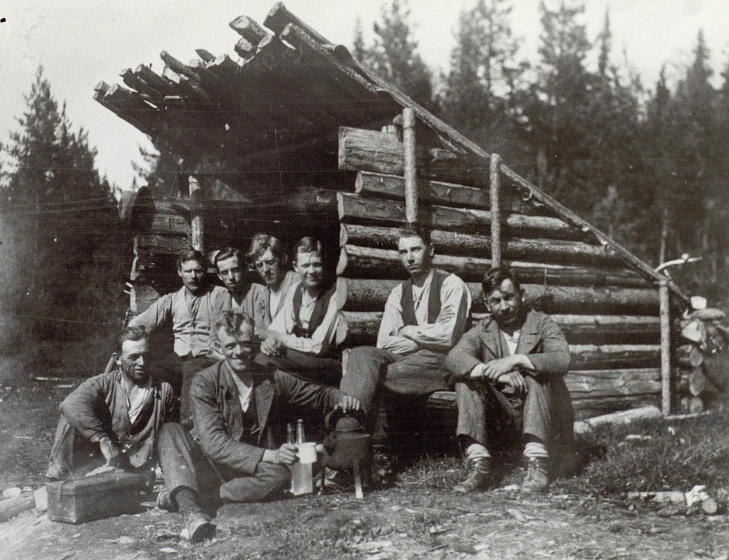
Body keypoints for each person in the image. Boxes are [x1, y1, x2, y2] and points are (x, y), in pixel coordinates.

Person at [155, 311, 359, 542]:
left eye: (245, 344)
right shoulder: (205, 382)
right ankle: (192, 513)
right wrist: (271, 455)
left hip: (247, 470)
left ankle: (193, 494)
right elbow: (214, 444)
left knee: (281, 475)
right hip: (209, 464)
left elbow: (315, 393)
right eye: (230, 345)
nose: (239, 352)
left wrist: (339, 397)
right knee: (170, 431)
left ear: (255, 342)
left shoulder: (270, 377)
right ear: (218, 347)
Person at [444, 267, 574, 494]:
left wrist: (517, 361)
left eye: (508, 297)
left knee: (537, 374)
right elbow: (454, 357)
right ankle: (479, 465)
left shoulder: (542, 323)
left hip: (544, 415)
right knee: (466, 379)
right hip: (504, 419)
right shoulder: (483, 330)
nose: (504, 307)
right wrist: (489, 370)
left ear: (522, 295)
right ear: (487, 305)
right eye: (495, 301)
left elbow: (562, 359)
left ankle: (537, 463)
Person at [340, 226, 472, 437]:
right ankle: (348, 435)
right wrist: (425, 338)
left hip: (440, 362)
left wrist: (407, 330)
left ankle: (351, 437)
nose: (410, 258)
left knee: (372, 377)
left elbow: (448, 337)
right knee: (362, 355)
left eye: (416, 250)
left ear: (430, 250)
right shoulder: (398, 293)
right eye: (404, 252)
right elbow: (384, 343)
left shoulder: (451, 285)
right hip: (406, 360)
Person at [46, 326, 176, 481]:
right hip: (101, 462)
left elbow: (170, 438)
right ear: (118, 359)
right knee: (71, 418)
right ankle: (56, 481)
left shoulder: (163, 391)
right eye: (133, 357)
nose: (142, 363)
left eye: (146, 356)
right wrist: (102, 439)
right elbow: (70, 404)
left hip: (136, 471)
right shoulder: (104, 384)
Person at [128, 249, 228, 406]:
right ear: (180, 272)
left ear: (205, 270)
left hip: (208, 358)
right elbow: (141, 323)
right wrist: (130, 341)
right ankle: (147, 419)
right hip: (178, 358)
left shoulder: (219, 295)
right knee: (152, 370)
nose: (193, 276)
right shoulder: (172, 299)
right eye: (188, 271)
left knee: (192, 369)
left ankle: (188, 424)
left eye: (198, 271)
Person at [255, 236, 346, 386]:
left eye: (317, 264)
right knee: (264, 356)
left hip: (328, 365)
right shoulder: (294, 290)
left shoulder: (335, 293)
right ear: (296, 267)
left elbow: (318, 347)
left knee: (265, 361)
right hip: (301, 359)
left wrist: (279, 338)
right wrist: (270, 341)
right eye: (305, 265)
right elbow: (276, 329)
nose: (312, 271)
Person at [242, 233, 299, 337]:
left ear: (283, 259)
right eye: (259, 265)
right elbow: (258, 331)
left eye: (270, 262)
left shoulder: (298, 282)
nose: (265, 270)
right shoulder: (263, 295)